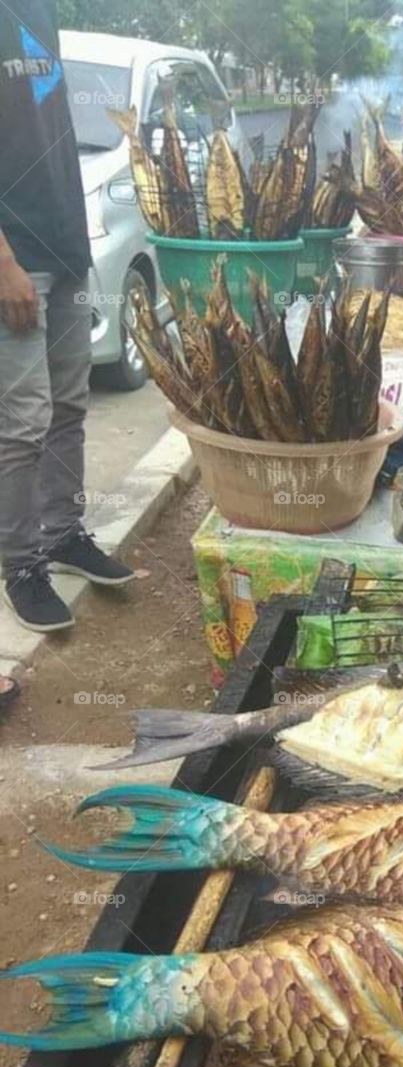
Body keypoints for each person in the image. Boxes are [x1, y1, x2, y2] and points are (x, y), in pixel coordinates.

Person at [0, 0, 133, 634]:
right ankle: (21, 567)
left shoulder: (42, 15)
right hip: (14, 255)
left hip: (66, 242)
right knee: (23, 422)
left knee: (70, 405)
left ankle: (62, 534)